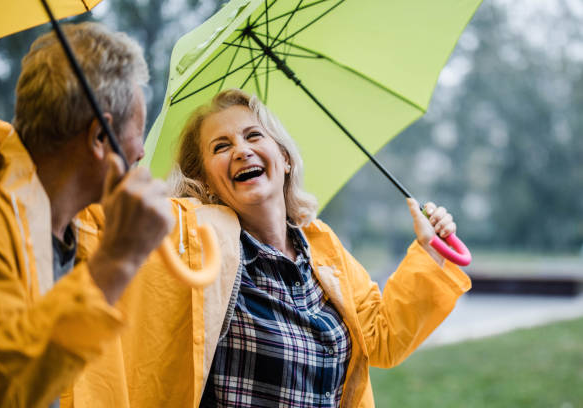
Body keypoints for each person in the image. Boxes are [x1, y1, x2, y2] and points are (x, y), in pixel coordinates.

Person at [70, 88, 471, 407]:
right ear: (204, 179)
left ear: (284, 157)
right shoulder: (196, 237)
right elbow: (98, 220)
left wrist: (430, 251)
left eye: (253, 135)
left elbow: (383, 337)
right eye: (220, 146)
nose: (241, 150)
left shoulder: (322, 248)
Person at [0, 22, 174, 407]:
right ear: (101, 138)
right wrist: (115, 261)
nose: (143, 153)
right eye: (139, 130)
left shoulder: (82, 223)